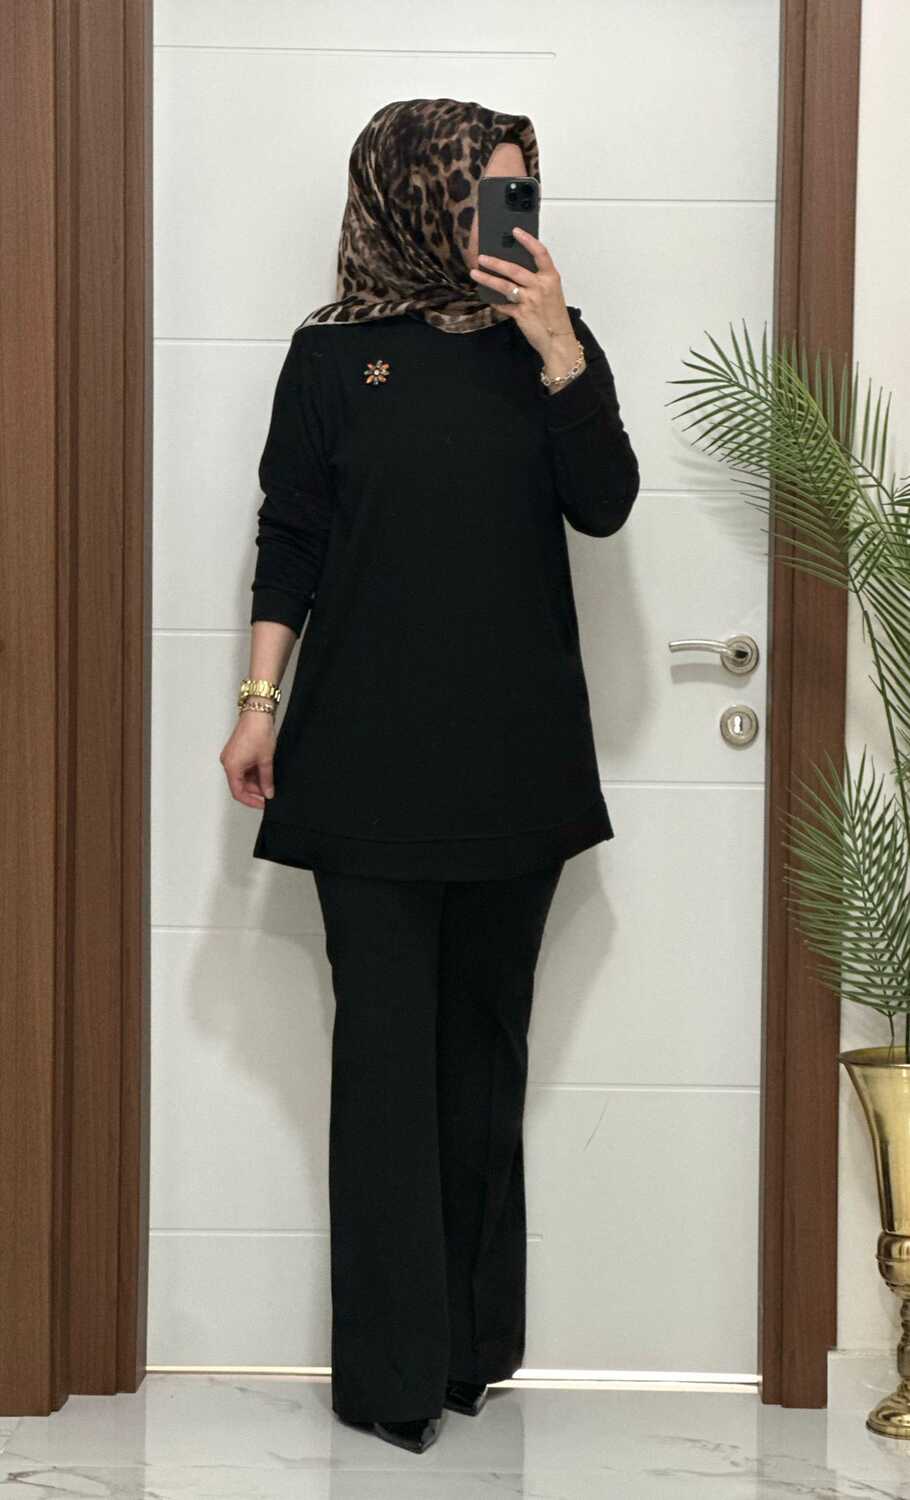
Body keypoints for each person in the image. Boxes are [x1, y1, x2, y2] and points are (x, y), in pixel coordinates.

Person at [219, 96, 639, 1456]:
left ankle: (468, 1353)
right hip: (362, 764)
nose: (501, 223)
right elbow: (292, 534)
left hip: (514, 762)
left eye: (517, 195)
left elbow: (604, 504)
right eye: (477, 196)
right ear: (411, 197)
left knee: (482, 1057)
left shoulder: (553, 347)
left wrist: (559, 349)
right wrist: (258, 702)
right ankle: (389, 1377)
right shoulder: (331, 358)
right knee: (386, 1064)